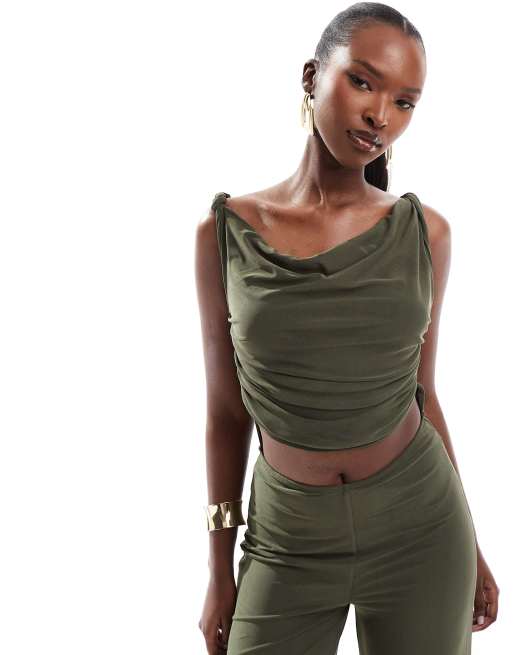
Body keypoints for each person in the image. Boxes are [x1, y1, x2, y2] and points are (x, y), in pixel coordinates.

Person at [195, 3, 499, 654]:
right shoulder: (225, 233)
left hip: (421, 524)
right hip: (288, 536)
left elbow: (422, 393)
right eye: (362, 82)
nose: (380, 115)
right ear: (312, 77)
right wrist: (219, 570)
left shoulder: (425, 234)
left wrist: (472, 541)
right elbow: (225, 411)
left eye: (404, 102)